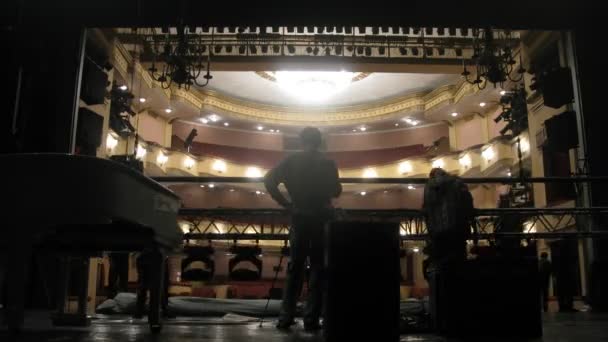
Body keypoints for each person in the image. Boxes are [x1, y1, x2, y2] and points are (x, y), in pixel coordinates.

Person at [264, 127, 342, 331]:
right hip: (321, 219)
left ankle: (286, 317)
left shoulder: (291, 161)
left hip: (299, 216)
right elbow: (336, 191)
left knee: (295, 269)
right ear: (320, 141)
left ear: (301, 141)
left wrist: (286, 204)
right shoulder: (327, 163)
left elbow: (269, 181)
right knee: (318, 268)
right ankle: (311, 319)